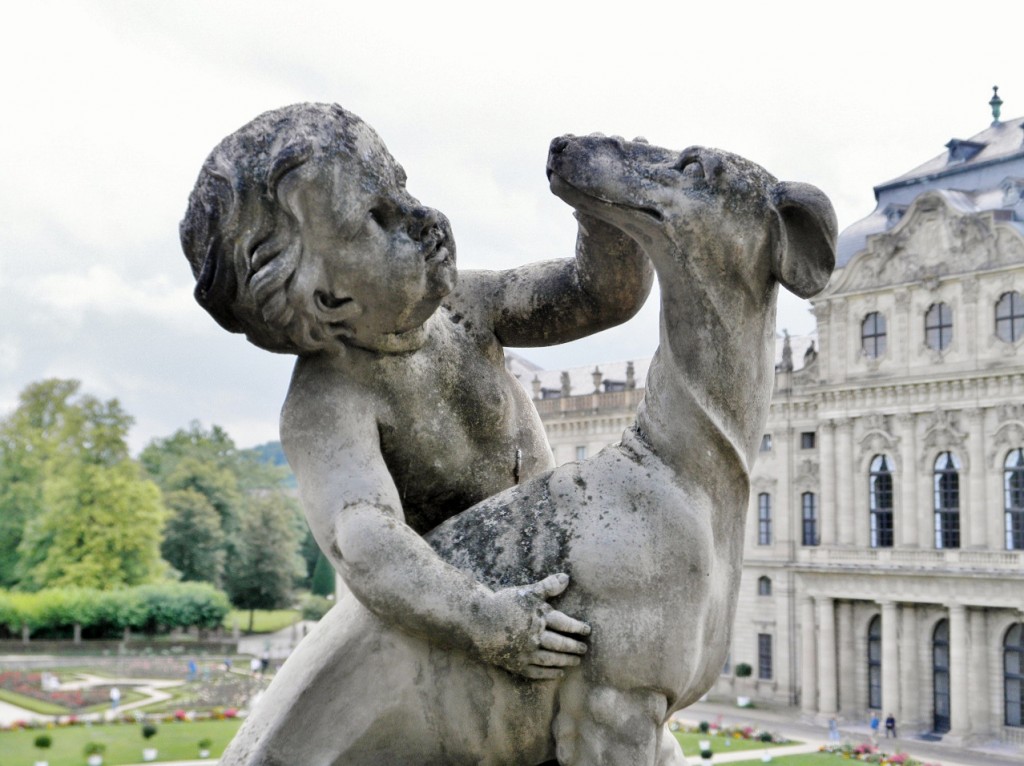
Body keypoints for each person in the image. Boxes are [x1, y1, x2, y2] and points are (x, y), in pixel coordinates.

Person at [181, 103, 653, 680]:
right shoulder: (328, 401)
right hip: (448, 645)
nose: (422, 217)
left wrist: (605, 213)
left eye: (401, 186)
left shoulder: (469, 306)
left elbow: (599, 296)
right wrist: (486, 620)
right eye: (378, 217)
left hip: (550, 582)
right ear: (327, 299)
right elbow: (366, 541)